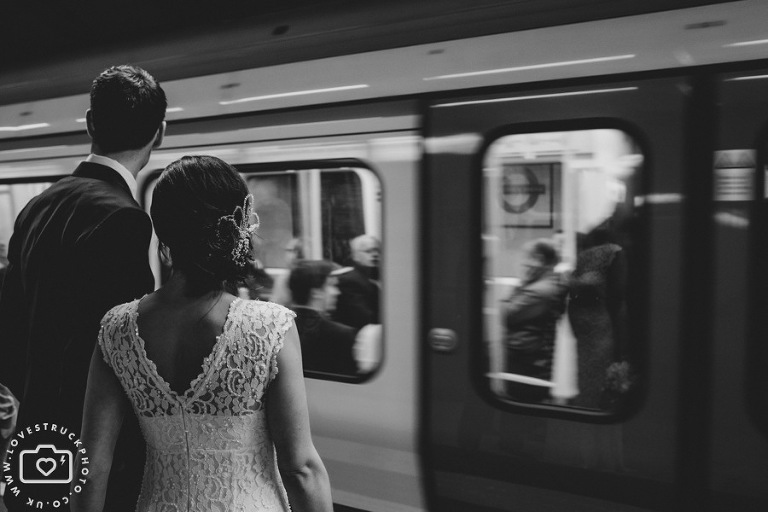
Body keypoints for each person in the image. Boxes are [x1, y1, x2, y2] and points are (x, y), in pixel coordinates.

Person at [71, 155, 332, 512]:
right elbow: (299, 468)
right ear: (238, 228)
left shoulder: (117, 329)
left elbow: (90, 468)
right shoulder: (269, 328)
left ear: (164, 231)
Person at [0, 65, 166, 511]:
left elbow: (10, 329)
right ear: (161, 134)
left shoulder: (37, 206)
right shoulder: (126, 219)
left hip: (32, 437)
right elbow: (124, 355)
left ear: (91, 125)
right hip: (85, 450)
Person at [503, 239, 567, 403]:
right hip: (531, 356)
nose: (524, 263)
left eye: (527, 258)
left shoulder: (538, 291)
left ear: (539, 259)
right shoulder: (548, 283)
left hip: (526, 359)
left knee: (518, 407)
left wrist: (522, 283)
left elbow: (506, 314)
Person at [289, 260, 358, 375]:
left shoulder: (279, 328)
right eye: (332, 285)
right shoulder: (343, 335)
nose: (337, 292)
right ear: (316, 293)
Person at [332, 235, 380, 329]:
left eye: (377, 251)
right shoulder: (350, 281)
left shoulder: (378, 277)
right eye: (368, 251)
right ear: (355, 256)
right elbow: (364, 318)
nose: (375, 255)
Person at [271, 237, 304, 306]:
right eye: (289, 251)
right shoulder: (283, 278)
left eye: (297, 251)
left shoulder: (284, 279)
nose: (293, 256)